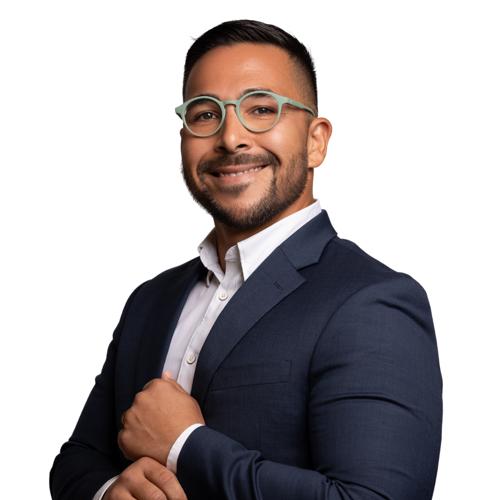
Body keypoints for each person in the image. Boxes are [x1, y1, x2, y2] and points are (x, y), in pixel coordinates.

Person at [50, 19, 442, 500]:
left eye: (261, 109)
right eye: (205, 114)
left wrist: (185, 445)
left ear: (315, 140)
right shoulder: (150, 301)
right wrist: (109, 490)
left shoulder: (372, 302)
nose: (231, 137)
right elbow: (77, 459)